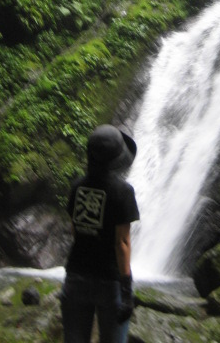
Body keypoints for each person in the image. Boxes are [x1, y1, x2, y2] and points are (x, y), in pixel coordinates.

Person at [61, 124, 139, 343]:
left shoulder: (78, 187)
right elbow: (122, 242)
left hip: (76, 276)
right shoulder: (123, 192)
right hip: (109, 281)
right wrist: (126, 288)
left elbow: (75, 230)